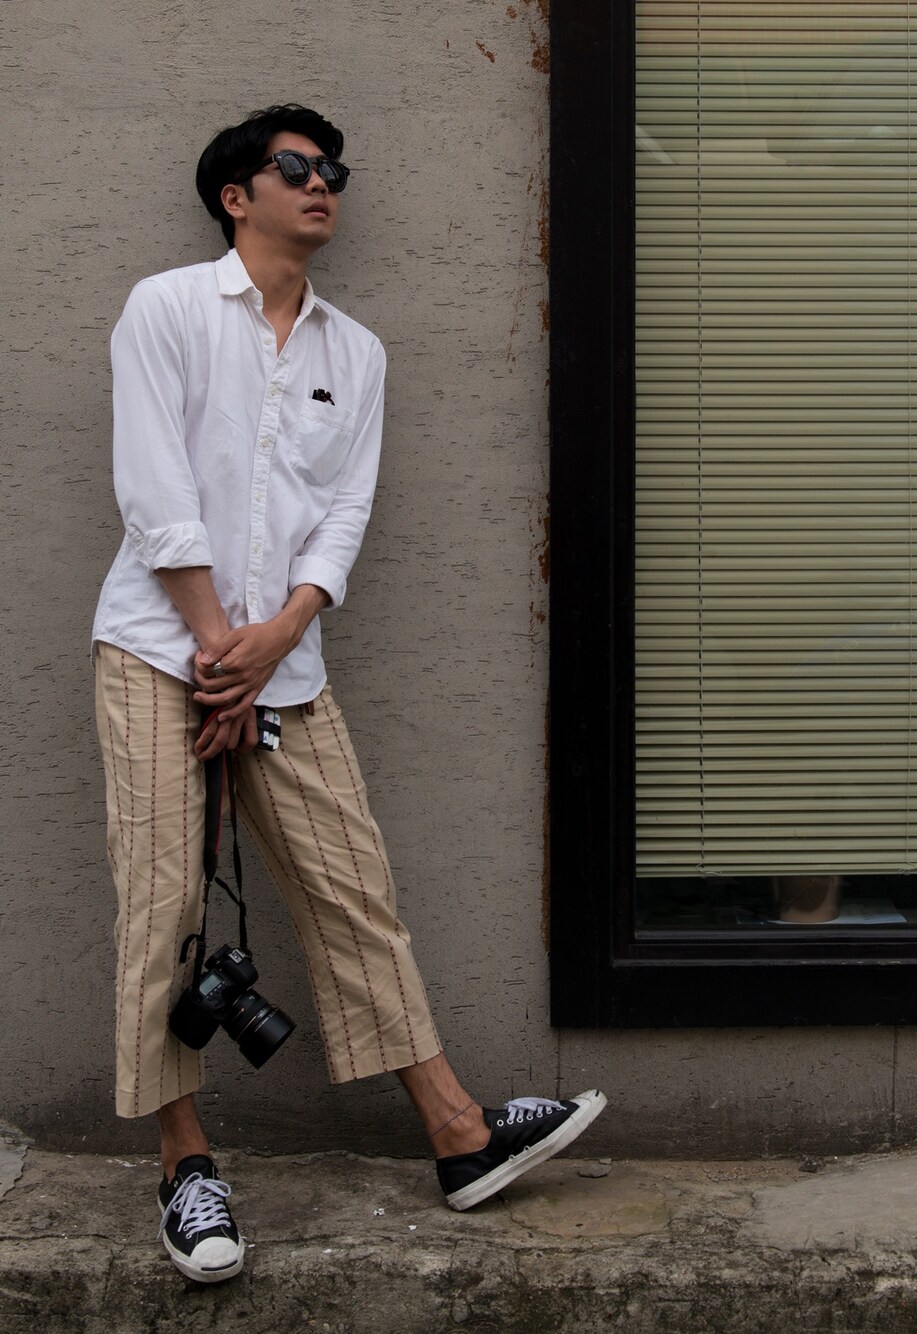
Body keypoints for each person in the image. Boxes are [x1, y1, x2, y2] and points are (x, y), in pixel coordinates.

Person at [91, 103, 605, 1285]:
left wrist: (274, 639)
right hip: (158, 649)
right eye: (296, 166)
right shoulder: (167, 307)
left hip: (283, 661)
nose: (322, 181)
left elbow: (344, 512)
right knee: (165, 903)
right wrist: (219, 650)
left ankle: (459, 1133)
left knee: (353, 891)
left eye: (334, 169)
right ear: (237, 195)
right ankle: (184, 1162)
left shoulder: (355, 352)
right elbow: (152, 486)